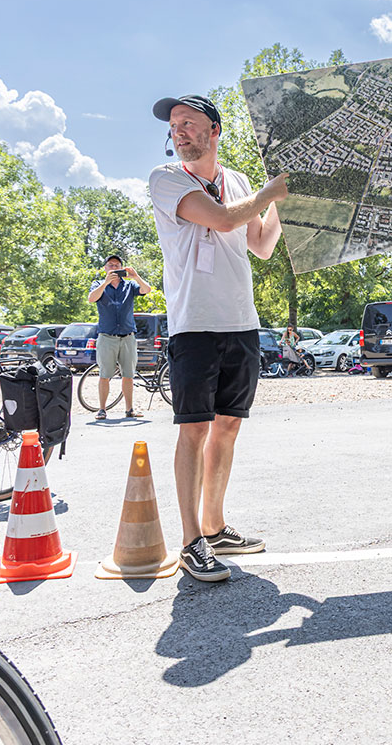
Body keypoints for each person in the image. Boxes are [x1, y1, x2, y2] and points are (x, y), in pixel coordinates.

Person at [148, 94, 288, 582]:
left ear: (215, 129)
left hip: (240, 322)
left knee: (228, 427)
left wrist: (287, 204)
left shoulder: (240, 182)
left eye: (189, 122)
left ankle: (215, 524)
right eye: (173, 126)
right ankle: (190, 542)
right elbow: (224, 219)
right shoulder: (165, 179)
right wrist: (271, 193)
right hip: (194, 324)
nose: (179, 131)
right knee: (194, 429)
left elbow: (261, 245)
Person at [86, 254, 151, 419]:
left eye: (117, 265)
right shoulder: (98, 285)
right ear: (105, 268)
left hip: (128, 336)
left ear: (122, 268)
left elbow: (146, 290)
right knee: (104, 375)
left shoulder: (129, 285)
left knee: (128, 375)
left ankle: (129, 410)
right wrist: (106, 282)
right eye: (110, 265)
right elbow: (91, 299)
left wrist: (136, 276)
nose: (114, 267)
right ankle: (102, 409)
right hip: (107, 337)